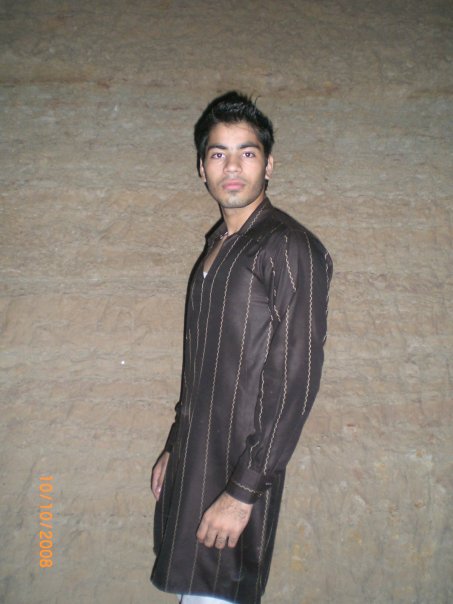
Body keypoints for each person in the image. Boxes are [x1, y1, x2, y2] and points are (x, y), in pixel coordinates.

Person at [150, 91, 332, 604]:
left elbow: (295, 380)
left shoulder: (287, 246)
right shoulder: (215, 249)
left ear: (269, 165)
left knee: (216, 592)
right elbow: (201, 370)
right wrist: (174, 444)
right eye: (218, 153)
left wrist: (243, 491)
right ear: (201, 168)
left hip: (238, 470)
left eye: (247, 153)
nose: (232, 167)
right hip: (196, 460)